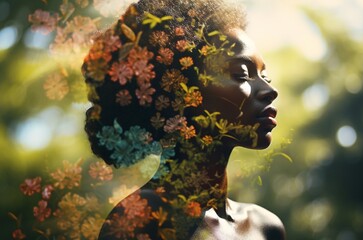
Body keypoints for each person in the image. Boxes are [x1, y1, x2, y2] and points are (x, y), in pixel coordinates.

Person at [82, 0, 285, 239]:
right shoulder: (143, 219)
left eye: (264, 76)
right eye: (241, 73)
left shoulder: (266, 226)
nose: (269, 90)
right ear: (179, 91)